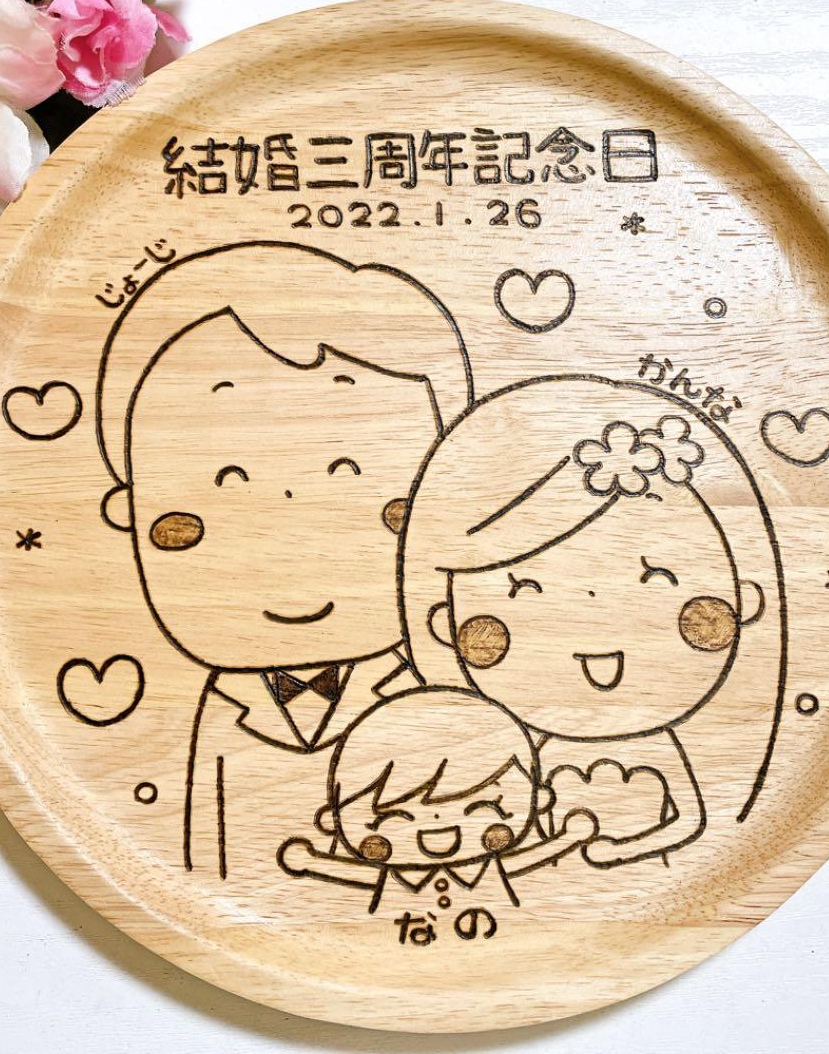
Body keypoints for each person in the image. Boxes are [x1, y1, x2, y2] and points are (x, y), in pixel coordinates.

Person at [93, 241, 472, 883]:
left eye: (361, 497)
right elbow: (203, 860)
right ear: (132, 511)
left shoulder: (432, 699)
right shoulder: (224, 710)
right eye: (222, 496)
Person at [400, 375, 778, 868]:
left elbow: (688, 820)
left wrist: (623, 850)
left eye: (656, 579)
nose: (594, 618)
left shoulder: (652, 741)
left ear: (741, 602)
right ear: (447, 628)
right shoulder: (526, 753)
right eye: (526, 589)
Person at [277, 687, 597, 939]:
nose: (440, 830)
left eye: (484, 808)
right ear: (332, 820)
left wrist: (567, 839)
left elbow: (526, 859)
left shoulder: (486, 868)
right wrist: (313, 863)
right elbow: (357, 874)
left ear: (539, 800)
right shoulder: (395, 874)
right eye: (391, 819)